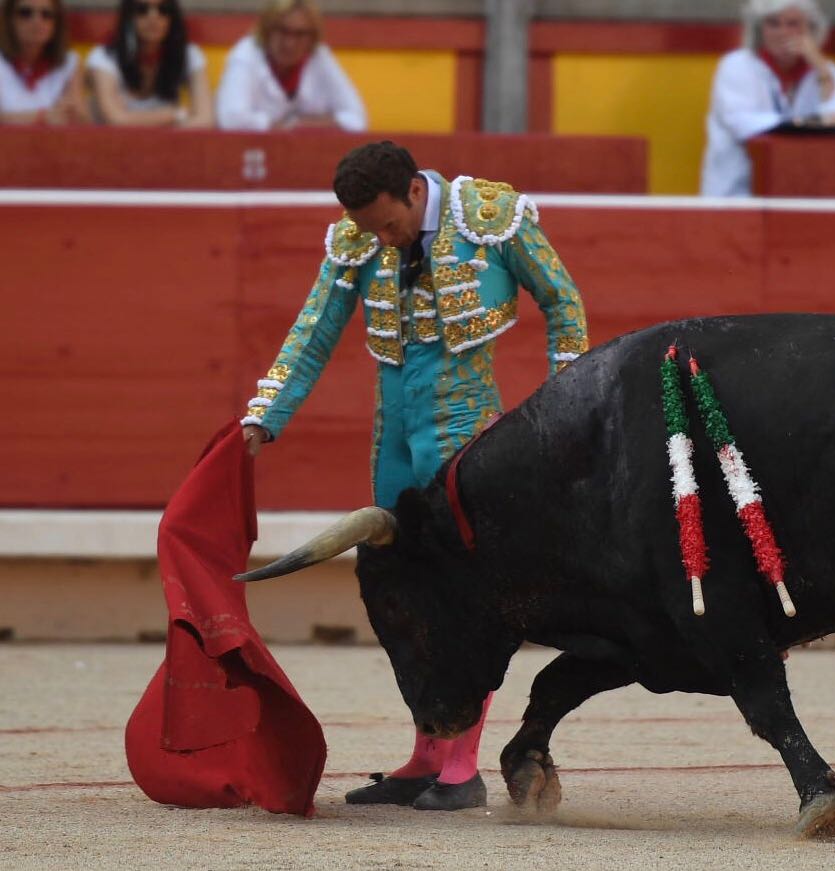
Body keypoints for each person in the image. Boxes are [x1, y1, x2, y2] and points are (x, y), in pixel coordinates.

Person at [240, 141, 589, 811]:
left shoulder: (491, 216)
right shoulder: (358, 238)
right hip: (393, 438)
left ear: (414, 193)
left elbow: (564, 302)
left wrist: (564, 409)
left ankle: (460, 763)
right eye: (369, 230)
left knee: (466, 598)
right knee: (410, 599)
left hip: (466, 433)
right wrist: (264, 415)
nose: (381, 240)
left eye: (387, 224)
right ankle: (427, 753)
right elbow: (312, 331)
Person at [700, 0, 835, 197]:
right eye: (773, 24)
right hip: (737, 192)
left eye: (793, 24)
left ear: (811, 30)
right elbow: (741, 123)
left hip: (801, 193)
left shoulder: (823, 70)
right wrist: (801, 126)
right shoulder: (736, 65)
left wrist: (821, 67)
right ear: (759, 29)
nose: (783, 32)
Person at [215, 0, 366, 132]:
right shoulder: (246, 54)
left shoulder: (320, 56)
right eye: (282, 31)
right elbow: (231, 119)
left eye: (300, 34)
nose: (290, 43)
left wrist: (299, 124)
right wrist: (290, 126)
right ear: (266, 30)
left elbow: (357, 119)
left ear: (313, 37)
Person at [86, 0, 213, 127]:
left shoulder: (189, 55)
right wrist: (174, 115)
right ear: (128, 16)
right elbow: (116, 119)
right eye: (142, 9)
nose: (153, 17)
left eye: (163, 9)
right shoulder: (104, 57)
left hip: (168, 144)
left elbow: (205, 119)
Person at [0, 0, 85, 124]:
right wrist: (41, 117)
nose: (37, 21)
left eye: (47, 14)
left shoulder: (69, 62)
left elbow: (80, 119)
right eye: (25, 13)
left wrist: (74, 112)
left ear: (56, 24)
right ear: (9, 19)